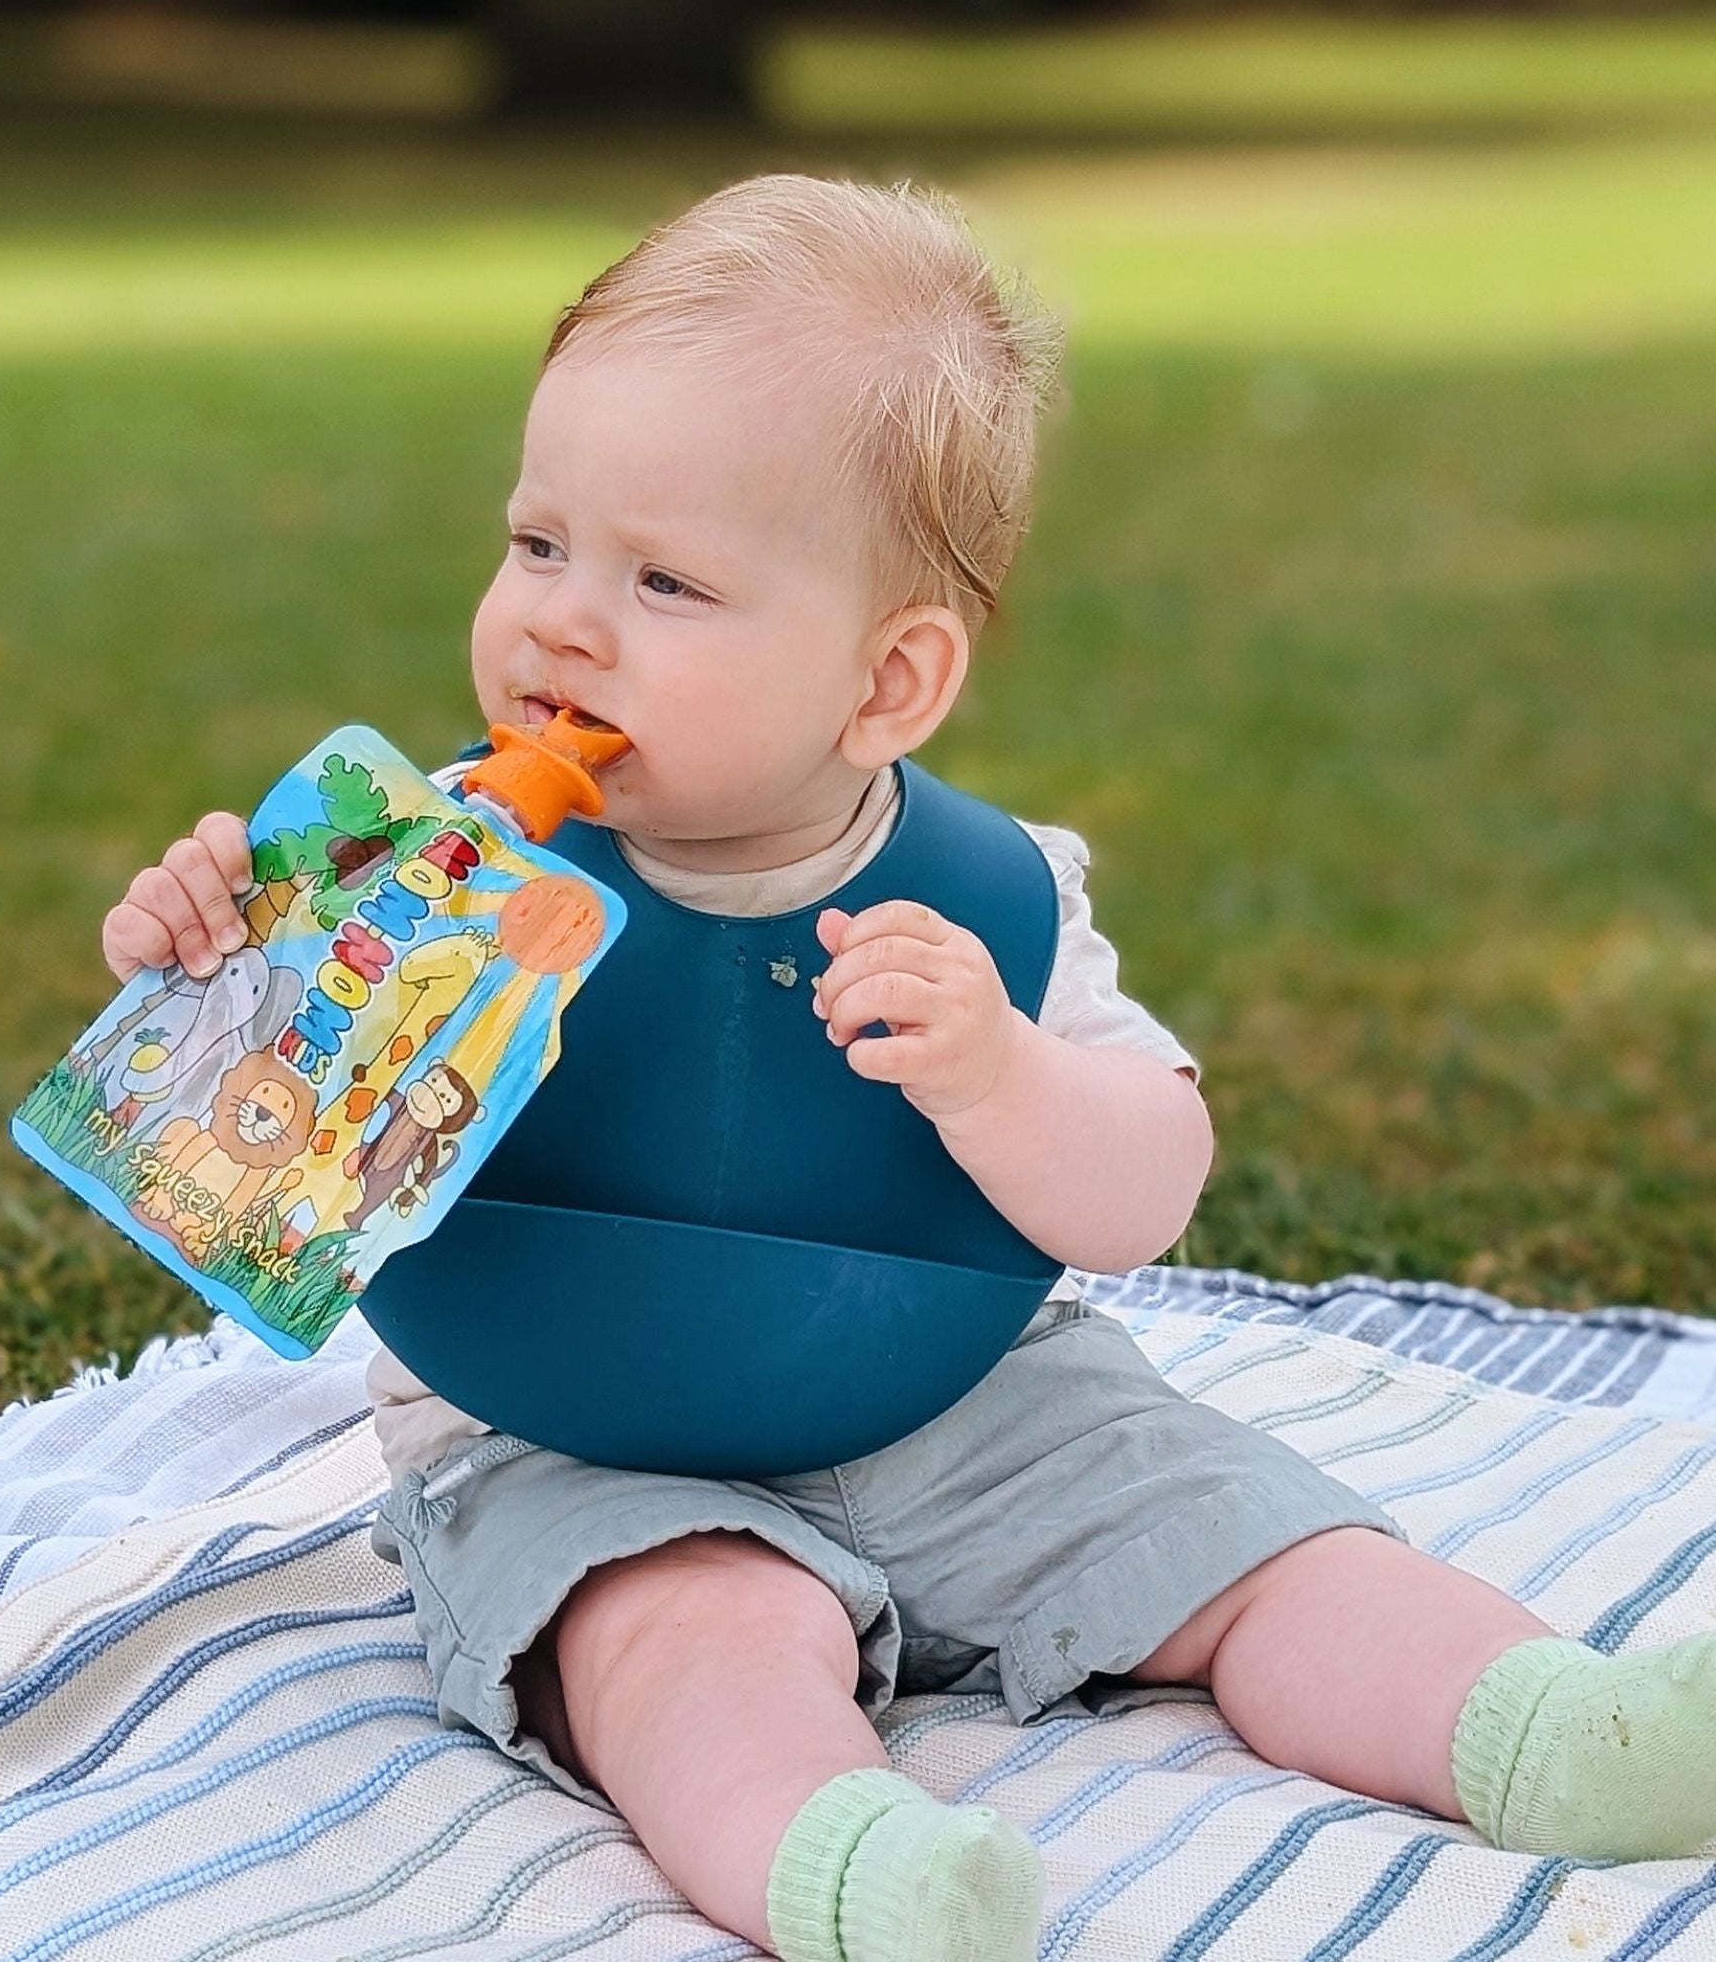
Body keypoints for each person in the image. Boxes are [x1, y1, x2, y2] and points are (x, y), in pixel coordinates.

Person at [102, 175, 1716, 1962]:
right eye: (539, 541)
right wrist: (207, 959)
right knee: (678, 1636)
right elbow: (237, 1133)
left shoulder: (987, 905)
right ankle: (850, 1864)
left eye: (667, 578)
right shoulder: (406, 882)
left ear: (887, 686)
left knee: (1237, 1528)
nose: (561, 622)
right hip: (578, 1437)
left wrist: (1001, 1080)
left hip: (969, 1403)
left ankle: (1547, 1730)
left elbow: (1146, 1190)